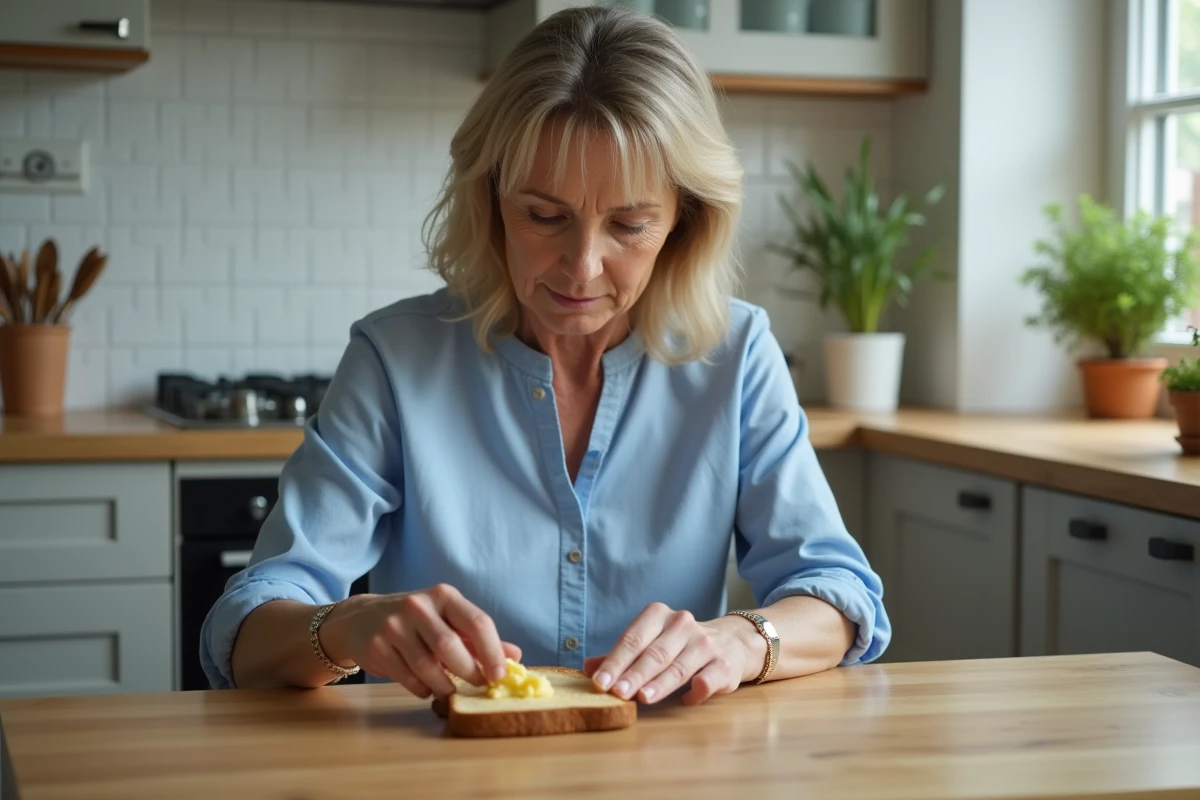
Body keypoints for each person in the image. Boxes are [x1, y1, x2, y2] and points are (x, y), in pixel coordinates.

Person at [200, 4, 889, 707]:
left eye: (629, 224)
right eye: (545, 216)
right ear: (490, 198)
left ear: (684, 220)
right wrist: (346, 625)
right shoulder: (394, 359)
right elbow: (247, 634)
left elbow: (839, 596)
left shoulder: (737, 356)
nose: (582, 267)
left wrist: (742, 640)